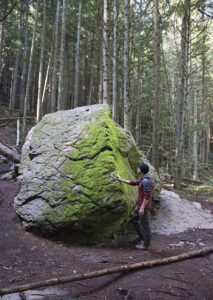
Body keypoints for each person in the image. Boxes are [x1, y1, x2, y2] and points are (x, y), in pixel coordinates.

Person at [117, 163, 153, 250]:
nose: (137, 169)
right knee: (134, 219)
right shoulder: (142, 180)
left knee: (145, 225)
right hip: (139, 205)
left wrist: (142, 208)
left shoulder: (146, 181)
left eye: (138, 168)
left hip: (144, 207)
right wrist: (121, 179)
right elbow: (134, 182)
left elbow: (147, 196)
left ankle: (146, 245)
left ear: (140, 170)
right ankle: (142, 237)